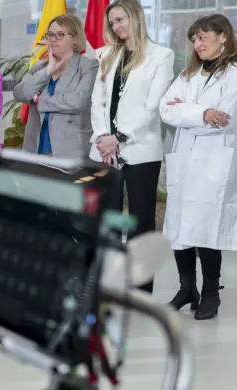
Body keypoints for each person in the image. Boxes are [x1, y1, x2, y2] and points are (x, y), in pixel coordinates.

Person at [89, 0, 173, 293]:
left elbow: (152, 106)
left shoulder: (161, 55)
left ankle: (140, 289)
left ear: (136, 18)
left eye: (121, 19)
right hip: (105, 150)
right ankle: (110, 283)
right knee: (108, 218)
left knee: (140, 221)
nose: (116, 26)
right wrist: (102, 136)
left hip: (140, 150)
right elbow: (97, 100)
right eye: (112, 22)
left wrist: (120, 137)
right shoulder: (106, 54)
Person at [160, 14, 237, 320]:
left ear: (223, 38)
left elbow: (224, 119)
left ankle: (210, 293)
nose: (197, 43)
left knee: (206, 228)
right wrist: (202, 113)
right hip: (186, 159)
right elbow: (166, 108)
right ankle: (186, 288)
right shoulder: (188, 74)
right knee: (180, 226)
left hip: (214, 161)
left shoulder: (233, 75)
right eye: (194, 39)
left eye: (203, 37)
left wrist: (192, 114)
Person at [13, 14, 98, 157]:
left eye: (60, 35)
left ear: (75, 39)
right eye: (50, 35)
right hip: (36, 149)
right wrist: (47, 71)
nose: (53, 40)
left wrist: (40, 100)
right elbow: (20, 93)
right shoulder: (39, 67)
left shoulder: (88, 66)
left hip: (70, 150)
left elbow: (77, 101)